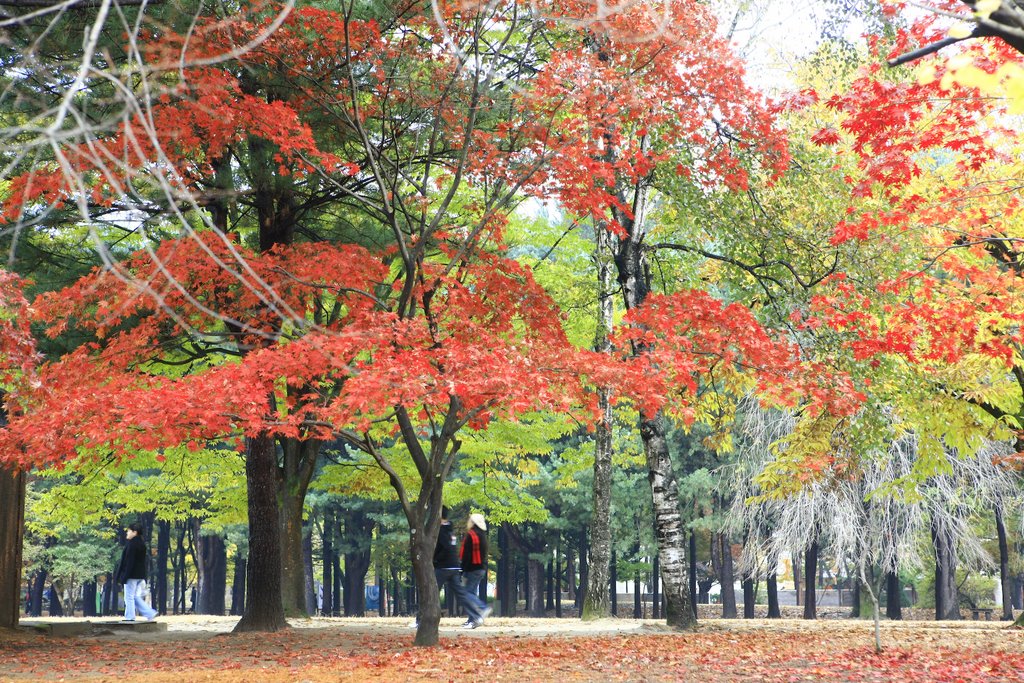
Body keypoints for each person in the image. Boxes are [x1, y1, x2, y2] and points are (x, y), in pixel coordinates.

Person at [115, 522, 157, 622]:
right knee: (135, 597)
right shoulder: (142, 544)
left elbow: (129, 562)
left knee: (129, 597)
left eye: (129, 531)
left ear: (135, 532)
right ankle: (150, 613)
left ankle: (130, 617)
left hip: (131, 575)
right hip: (140, 575)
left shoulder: (132, 545)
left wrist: (124, 576)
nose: (127, 533)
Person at [459, 512, 492, 629]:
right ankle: (471, 619)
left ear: (472, 523)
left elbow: (467, 556)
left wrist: (462, 570)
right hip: (480, 568)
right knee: (471, 592)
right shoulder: (482, 536)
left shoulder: (471, 536)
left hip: (473, 569)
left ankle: (482, 609)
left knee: (467, 593)